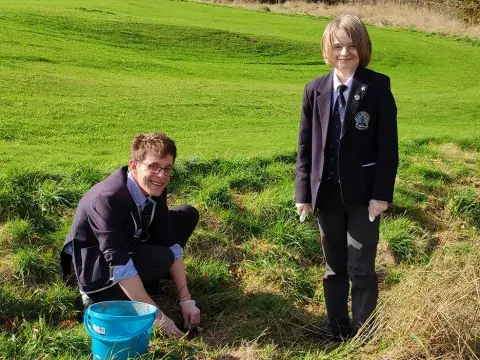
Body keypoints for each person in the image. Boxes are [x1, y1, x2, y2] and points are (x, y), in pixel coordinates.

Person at [295, 14, 398, 340]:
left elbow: (387, 146)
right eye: (337, 46)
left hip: (365, 197)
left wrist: (381, 194)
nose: (344, 52)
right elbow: (304, 146)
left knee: (361, 267)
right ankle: (337, 329)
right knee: (334, 267)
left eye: (351, 46)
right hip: (325, 195)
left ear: (362, 48)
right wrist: (303, 194)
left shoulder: (377, 86)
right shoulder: (315, 90)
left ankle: (366, 333)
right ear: (328, 50)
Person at [61, 132, 200, 337]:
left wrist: (186, 300)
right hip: (94, 264)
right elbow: (118, 261)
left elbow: (170, 241)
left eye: (167, 169)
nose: (161, 175)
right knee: (162, 259)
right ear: (134, 166)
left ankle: (142, 287)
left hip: (128, 241)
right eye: (153, 166)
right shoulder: (107, 198)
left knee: (185, 215)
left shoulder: (156, 186)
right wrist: (157, 317)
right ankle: (99, 296)